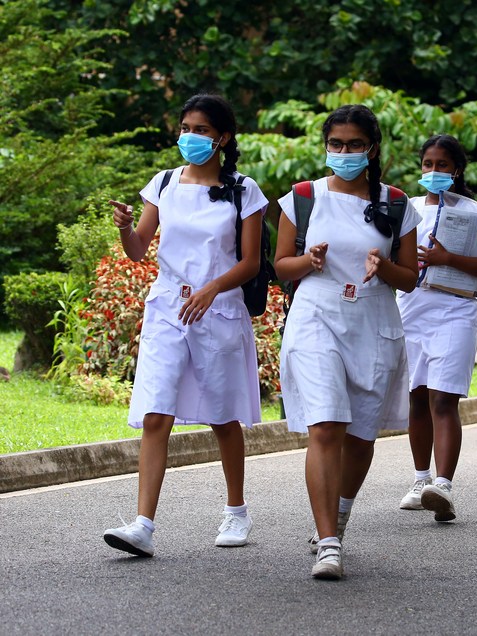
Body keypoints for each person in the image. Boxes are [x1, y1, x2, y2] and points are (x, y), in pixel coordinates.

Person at [104, 94, 267, 557]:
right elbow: (139, 249)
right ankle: (143, 525)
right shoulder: (164, 183)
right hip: (167, 309)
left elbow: (251, 262)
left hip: (218, 309)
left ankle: (236, 511)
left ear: (223, 138)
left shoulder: (244, 190)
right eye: (185, 128)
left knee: (222, 416)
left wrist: (212, 288)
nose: (190, 137)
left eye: (201, 130)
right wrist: (124, 227)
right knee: (156, 413)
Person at [275, 104, 420, 579]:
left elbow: (411, 278)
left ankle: (339, 513)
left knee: (360, 436)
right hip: (316, 315)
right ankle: (328, 543)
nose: (344, 152)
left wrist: (385, 268)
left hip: (373, 321)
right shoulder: (303, 197)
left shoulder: (397, 203)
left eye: (354, 144)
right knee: (325, 425)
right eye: (335, 144)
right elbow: (281, 265)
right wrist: (309, 261)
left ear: (371, 148)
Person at [396, 134, 477, 522]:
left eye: (442, 164)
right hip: (412, 308)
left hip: (456, 309)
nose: (434, 171)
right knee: (416, 395)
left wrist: (448, 258)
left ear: (457, 169)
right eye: (428, 164)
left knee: (443, 398)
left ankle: (442, 485)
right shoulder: (406, 209)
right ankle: (419, 480)